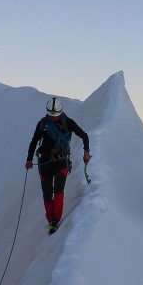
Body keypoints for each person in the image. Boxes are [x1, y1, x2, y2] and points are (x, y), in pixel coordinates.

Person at [26, 96, 91, 233]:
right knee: (47, 194)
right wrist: (29, 160)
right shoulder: (43, 124)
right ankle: (51, 220)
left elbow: (85, 136)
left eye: (55, 115)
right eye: (51, 115)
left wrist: (86, 152)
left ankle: (55, 220)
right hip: (45, 163)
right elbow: (33, 142)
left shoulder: (68, 122)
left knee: (59, 191)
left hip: (60, 162)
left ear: (60, 112)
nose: (53, 117)